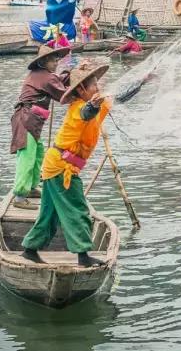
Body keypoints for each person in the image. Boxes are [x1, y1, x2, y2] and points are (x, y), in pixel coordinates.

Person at [21, 60, 110, 267]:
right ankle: (83, 255)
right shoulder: (80, 109)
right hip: (62, 167)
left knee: (50, 213)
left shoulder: (92, 108)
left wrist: (141, 82)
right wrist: (93, 105)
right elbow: (87, 112)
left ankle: (30, 249)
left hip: (55, 165)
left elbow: (114, 100)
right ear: (81, 89)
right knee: (77, 208)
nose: (98, 89)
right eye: (94, 86)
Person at [9, 44, 72, 209]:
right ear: (44, 62)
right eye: (53, 60)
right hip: (26, 119)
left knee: (37, 154)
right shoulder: (46, 77)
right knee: (27, 157)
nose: (57, 62)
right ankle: (20, 196)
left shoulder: (41, 75)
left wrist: (71, 75)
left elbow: (57, 83)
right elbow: (63, 94)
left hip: (30, 121)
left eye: (57, 59)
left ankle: (30, 187)